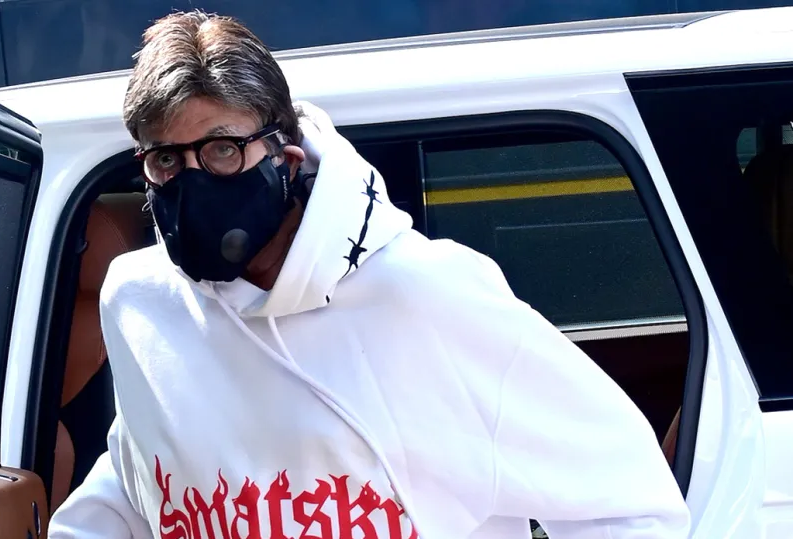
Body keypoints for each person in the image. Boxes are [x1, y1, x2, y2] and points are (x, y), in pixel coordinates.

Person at [49, 9, 691, 539]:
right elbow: (146, 477)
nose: (192, 181)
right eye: (166, 160)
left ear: (284, 158)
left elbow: (631, 502)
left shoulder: (428, 294)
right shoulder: (140, 302)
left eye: (222, 149)